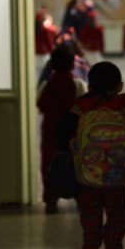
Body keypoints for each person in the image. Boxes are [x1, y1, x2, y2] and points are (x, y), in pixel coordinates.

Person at [58, 62, 125, 249]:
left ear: (89, 86)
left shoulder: (79, 109)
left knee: (90, 224)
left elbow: (62, 137)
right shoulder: (124, 109)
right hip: (116, 179)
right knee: (119, 220)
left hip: (86, 179)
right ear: (119, 86)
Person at [37, 43, 81, 214]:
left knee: (49, 163)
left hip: (51, 129)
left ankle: (51, 199)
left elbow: (40, 104)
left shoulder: (48, 84)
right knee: (75, 162)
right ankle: (78, 196)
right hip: (72, 130)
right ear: (72, 64)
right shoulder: (76, 84)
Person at [34, 8, 59, 81]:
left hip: (35, 55)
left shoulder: (34, 29)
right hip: (44, 55)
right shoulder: (46, 30)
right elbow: (49, 43)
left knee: (37, 75)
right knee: (45, 75)